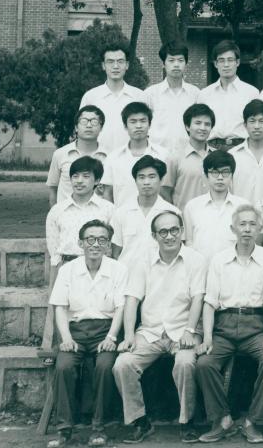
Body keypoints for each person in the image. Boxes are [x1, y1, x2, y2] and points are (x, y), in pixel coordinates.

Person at [113, 210, 207, 444]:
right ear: (154, 236)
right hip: (150, 331)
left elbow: (198, 298)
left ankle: (187, 421)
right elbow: (132, 299)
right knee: (123, 364)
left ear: (182, 231)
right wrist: (129, 335)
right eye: (163, 232)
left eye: (174, 230)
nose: (169, 236)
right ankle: (140, 422)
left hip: (184, 330)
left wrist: (190, 331)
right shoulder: (143, 260)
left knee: (185, 363)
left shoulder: (196, 260)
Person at [195, 204, 263, 444]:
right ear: (233, 228)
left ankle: (252, 421)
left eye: (252, 224)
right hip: (224, 325)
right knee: (204, 363)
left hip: (255, 326)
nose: (247, 229)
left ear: (260, 228)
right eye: (242, 224)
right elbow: (210, 302)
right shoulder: (219, 259)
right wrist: (208, 338)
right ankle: (223, 419)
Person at [47, 218, 127, 448]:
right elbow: (60, 307)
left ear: (108, 245)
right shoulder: (67, 270)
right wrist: (66, 338)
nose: (95, 244)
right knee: (64, 367)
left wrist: (112, 337)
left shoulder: (118, 269)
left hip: (105, 330)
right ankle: (65, 430)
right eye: (90, 239)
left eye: (102, 239)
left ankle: (99, 428)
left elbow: (121, 308)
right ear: (80, 243)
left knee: (104, 367)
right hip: (75, 331)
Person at [109, 155, 180, 267]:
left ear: (161, 180)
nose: (146, 182)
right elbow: (116, 252)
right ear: (135, 181)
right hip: (128, 274)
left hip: (161, 274)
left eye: (152, 177)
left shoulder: (172, 212)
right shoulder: (121, 213)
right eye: (141, 177)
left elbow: (178, 250)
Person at [46, 155, 114, 268]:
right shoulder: (57, 210)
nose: (79, 181)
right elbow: (54, 250)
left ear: (97, 180)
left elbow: (113, 245)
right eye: (75, 176)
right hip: (67, 267)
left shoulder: (108, 209)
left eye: (86, 176)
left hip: (100, 267)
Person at [182, 150, 251, 261]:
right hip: (201, 267)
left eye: (225, 172)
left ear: (232, 175)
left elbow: (249, 243)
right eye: (214, 172)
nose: (220, 177)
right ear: (206, 175)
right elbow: (188, 242)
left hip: (234, 267)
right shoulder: (192, 206)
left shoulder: (243, 206)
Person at [78, 44, 148, 154]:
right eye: (110, 62)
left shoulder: (140, 96)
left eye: (120, 61)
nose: (115, 66)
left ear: (127, 65)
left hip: (131, 158)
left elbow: (148, 131)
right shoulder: (91, 97)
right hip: (98, 158)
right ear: (103, 65)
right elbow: (82, 131)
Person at [102, 102, 171, 207]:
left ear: (149, 124)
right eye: (133, 122)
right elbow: (107, 193)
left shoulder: (164, 155)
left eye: (143, 121)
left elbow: (167, 192)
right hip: (122, 215)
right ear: (125, 126)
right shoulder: (113, 158)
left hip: (156, 214)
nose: (138, 126)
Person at [196, 40, 260, 151]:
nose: (226, 65)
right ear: (215, 64)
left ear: (237, 62)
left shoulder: (251, 93)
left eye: (230, 60)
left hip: (242, 148)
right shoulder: (204, 94)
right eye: (221, 60)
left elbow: (257, 124)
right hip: (212, 148)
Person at [145, 41, 201, 155]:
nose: (176, 65)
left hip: (188, 154)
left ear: (186, 63)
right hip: (157, 155)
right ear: (163, 64)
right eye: (171, 60)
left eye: (180, 60)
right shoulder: (150, 94)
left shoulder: (195, 94)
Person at [46, 106, 108, 207]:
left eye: (94, 122)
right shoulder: (60, 154)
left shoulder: (110, 157)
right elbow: (53, 189)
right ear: (76, 127)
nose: (89, 125)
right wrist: (56, 213)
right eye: (84, 121)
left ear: (101, 128)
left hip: (98, 215)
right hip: (67, 214)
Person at [229, 100, 263, 203]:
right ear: (245, 125)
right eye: (252, 121)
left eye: (261, 121)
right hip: (240, 212)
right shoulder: (232, 156)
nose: (257, 126)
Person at [169, 103, 215, 212]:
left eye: (207, 124)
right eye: (198, 123)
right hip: (184, 217)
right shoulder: (175, 157)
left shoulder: (217, 156)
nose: (203, 128)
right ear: (187, 126)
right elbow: (165, 191)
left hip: (212, 216)